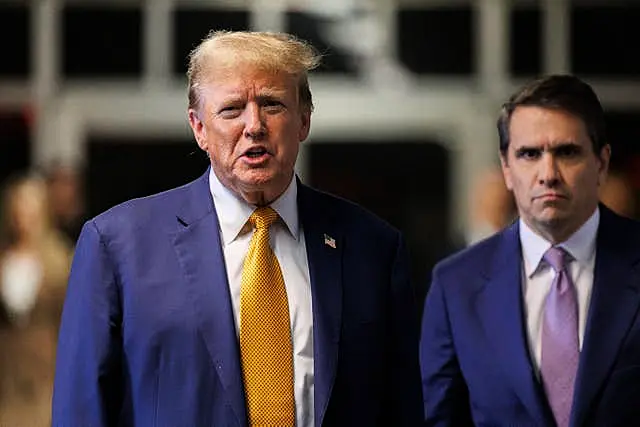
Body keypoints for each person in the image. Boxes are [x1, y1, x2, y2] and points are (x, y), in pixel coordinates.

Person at [52, 30, 423, 426]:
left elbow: (401, 409)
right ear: (198, 128)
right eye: (231, 109)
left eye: (272, 104)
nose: (254, 125)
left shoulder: (374, 248)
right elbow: (81, 412)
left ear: (304, 120)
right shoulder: (117, 246)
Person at [420, 74, 640, 426]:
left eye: (566, 152)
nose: (548, 173)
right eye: (529, 154)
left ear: (601, 162)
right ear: (507, 169)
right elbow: (439, 418)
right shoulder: (456, 285)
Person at [0, 174, 72, 427]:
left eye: (30, 210)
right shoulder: (4, 257)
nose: (23, 218)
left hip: (44, 377)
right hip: (7, 377)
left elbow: (69, 324)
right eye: (19, 209)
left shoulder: (58, 259)